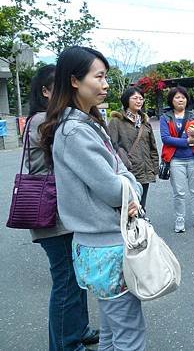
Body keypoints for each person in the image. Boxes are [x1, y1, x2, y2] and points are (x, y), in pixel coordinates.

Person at [40, 46, 146, 350]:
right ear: (75, 81)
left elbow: (121, 174)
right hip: (107, 246)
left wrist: (124, 179)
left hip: (96, 245)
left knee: (113, 331)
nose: (105, 84)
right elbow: (116, 189)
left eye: (106, 77)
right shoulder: (76, 131)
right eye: (98, 77)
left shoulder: (83, 123)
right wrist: (129, 184)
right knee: (129, 333)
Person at [25, 65, 99, 351]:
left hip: (64, 212)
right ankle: (65, 345)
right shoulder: (43, 121)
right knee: (66, 281)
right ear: (45, 92)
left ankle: (78, 330)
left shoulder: (54, 119)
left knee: (75, 277)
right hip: (51, 214)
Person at [160, 86, 194, 233]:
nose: (180, 100)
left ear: (187, 100)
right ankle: (179, 219)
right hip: (176, 160)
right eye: (177, 97)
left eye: (183, 97)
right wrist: (187, 141)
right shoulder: (165, 117)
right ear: (171, 100)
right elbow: (165, 139)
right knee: (179, 192)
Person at [108, 87, 159, 210]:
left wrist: (154, 167)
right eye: (135, 98)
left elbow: (152, 147)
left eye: (141, 98)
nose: (139, 101)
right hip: (127, 170)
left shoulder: (145, 122)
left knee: (141, 205)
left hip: (145, 170)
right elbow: (111, 147)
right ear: (126, 100)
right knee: (128, 206)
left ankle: (140, 228)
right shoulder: (116, 121)